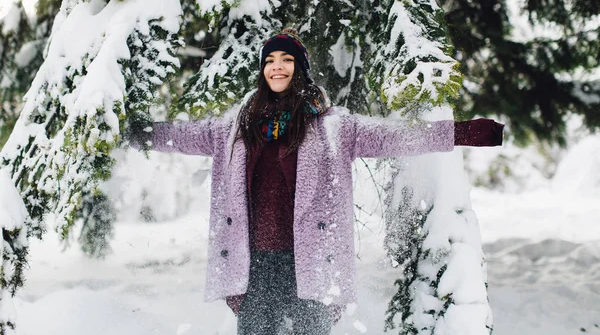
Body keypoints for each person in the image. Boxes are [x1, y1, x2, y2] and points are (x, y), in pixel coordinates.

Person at [128, 28, 503, 334]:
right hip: (254, 265)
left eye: (286, 60)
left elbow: (394, 136)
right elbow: (183, 135)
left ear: (300, 68)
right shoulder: (236, 126)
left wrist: (462, 133)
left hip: (310, 262)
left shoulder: (332, 127)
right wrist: (137, 133)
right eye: (270, 61)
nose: (277, 68)